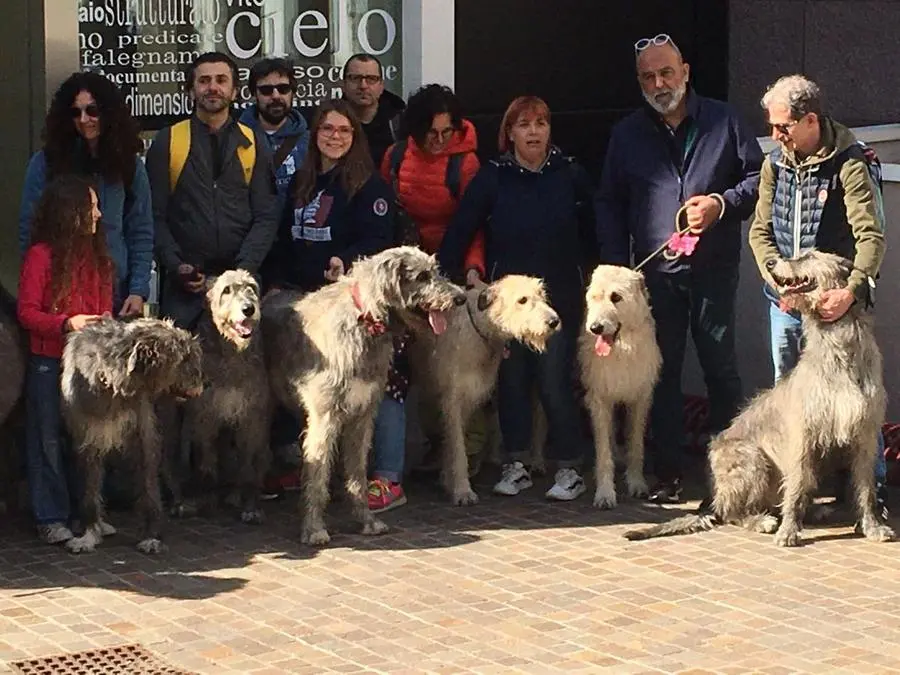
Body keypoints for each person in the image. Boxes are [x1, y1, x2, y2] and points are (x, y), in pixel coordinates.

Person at [594, 34, 763, 503]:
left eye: (666, 72)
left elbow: (756, 178)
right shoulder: (627, 133)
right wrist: (614, 266)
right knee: (661, 373)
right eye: (648, 76)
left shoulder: (724, 120)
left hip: (712, 266)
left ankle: (732, 476)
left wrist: (719, 204)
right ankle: (667, 472)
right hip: (654, 277)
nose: (658, 83)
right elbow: (608, 199)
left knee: (720, 369)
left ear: (685, 72)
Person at [439, 95, 599, 501]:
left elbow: (595, 230)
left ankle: (569, 467)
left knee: (553, 382)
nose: (533, 132)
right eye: (524, 125)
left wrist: (601, 278)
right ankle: (516, 463)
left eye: (541, 124)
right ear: (509, 133)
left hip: (558, 300)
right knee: (512, 382)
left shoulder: (571, 174)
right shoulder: (493, 177)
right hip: (507, 307)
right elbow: (462, 228)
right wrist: (445, 277)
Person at [748, 74, 888, 519]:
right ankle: (796, 497)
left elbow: (871, 236)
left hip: (839, 308)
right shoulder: (776, 163)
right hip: (789, 306)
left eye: (783, 127)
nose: (775, 136)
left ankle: (870, 495)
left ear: (810, 120)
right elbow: (760, 231)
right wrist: (775, 276)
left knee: (861, 397)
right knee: (795, 407)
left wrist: (851, 290)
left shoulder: (850, 162)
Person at [264, 100, 403, 510]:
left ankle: (387, 476)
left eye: (345, 131)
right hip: (306, 304)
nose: (336, 137)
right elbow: (285, 240)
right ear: (316, 134)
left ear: (355, 137)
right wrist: (272, 282)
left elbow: (379, 242)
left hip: (355, 305)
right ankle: (304, 465)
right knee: (306, 381)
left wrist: (347, 261)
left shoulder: (369, 185)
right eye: (328, 129)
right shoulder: (302, 180)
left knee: (377, 384)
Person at [145, 51, 278, 332]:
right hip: (185, 291)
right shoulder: (169, 141)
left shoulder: (254, 143)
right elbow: (154, 214)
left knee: (240, 371)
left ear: (235, 90)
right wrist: (176, 264)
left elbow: (266, 215)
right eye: (204, 80)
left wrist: (243, 270)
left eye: (221, 80)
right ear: (191, 89)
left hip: (240, 289)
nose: (212, 87)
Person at [17, 175, 113, 544]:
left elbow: (105, 307)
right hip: (48, 362)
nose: (99, 214)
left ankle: (86, 513)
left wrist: (104, 323)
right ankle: (50, 516)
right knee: (47, 440)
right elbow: (27, 312)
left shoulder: (100, 260)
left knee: (87, 441)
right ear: (70, 211)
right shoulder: (41, 256)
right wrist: (66, 323)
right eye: (91, 206)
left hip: (89, 365)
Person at [19, 71, 153, 317]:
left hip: (116, 294)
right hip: (61, 295)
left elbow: (140, 230)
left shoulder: (129, 165)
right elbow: (29, 229)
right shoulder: (46, 163)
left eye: (92, 110)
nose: (84, 119)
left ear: (108, 112)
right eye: (75, 112)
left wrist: (138, 290)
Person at [381, 83, 485, 284]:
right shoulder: (395, 155)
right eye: (431, 132)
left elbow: (474, 223)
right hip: (404, 265)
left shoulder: (464, 163)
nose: (439, 139)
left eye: (446, 132)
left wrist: (473, 267)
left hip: (447, 264)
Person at [240, 57, 310, 208]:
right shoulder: (235, 137)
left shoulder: (311, 140)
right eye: (266, 90)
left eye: (283, 89)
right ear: (254, 94)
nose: (276, 96)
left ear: (293, 92)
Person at [341, 53, 406, 165]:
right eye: (355, 78)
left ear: (381, 86)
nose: (363, 85)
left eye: (371, 79)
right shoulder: (329, 123)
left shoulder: (399, 124)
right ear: (343, 84)